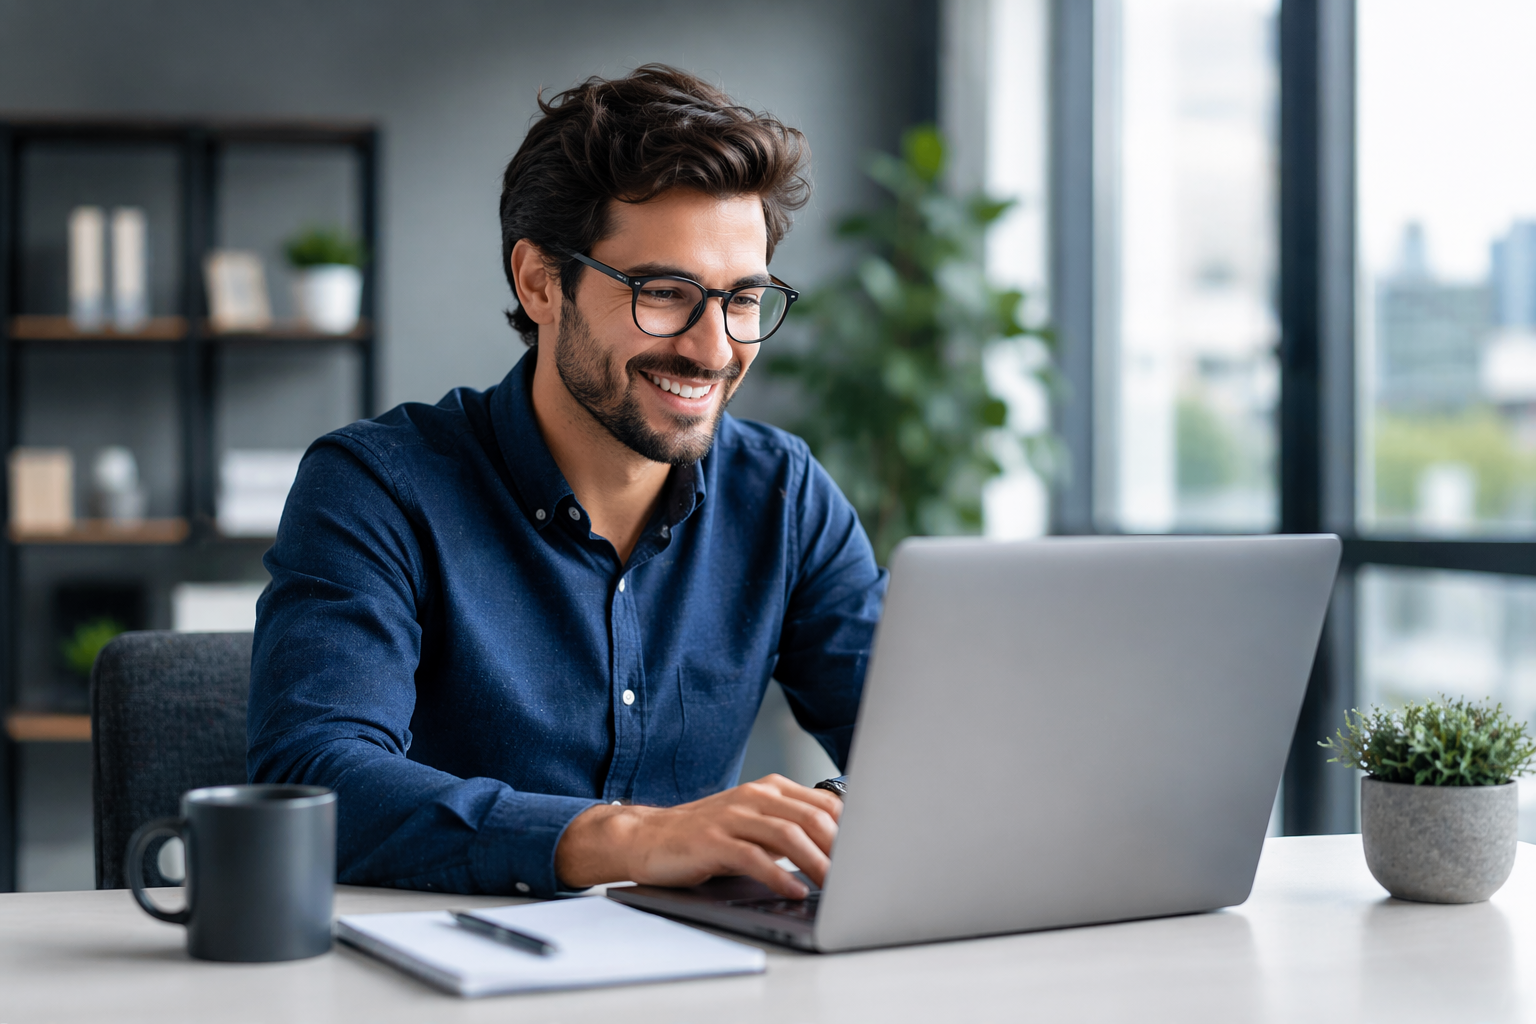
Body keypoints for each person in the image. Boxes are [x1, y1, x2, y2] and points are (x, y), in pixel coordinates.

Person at [247, 65, 886, 900]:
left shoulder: (785, 497)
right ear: (541, 282)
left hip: (706, 976)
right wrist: (626, 839)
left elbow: (919, 750)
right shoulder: (377, 488)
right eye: (665, 293)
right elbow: (313, 781)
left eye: (743, 300)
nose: (715, 349)